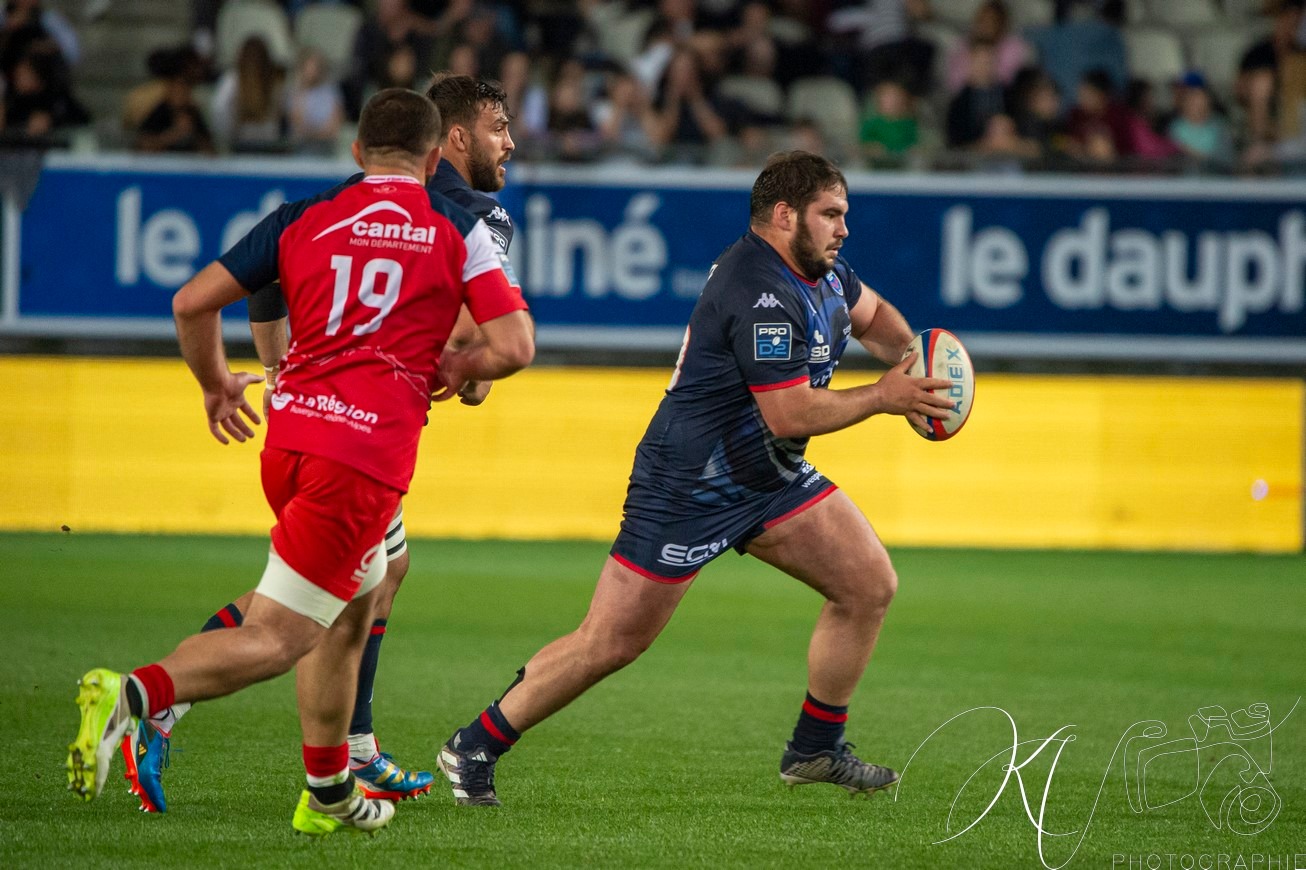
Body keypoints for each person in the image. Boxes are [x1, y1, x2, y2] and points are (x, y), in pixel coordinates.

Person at [66, 87, 535, 835]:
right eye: (498, 129)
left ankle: (335, 782)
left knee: (368, 583)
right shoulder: (464, 222)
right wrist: (458, 369)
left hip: (294, 431)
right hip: (362, 446)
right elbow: (500, 353)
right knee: (288, 628)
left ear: (357, 152)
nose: (509, 143)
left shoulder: (312, 211)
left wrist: (241, 380)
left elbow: (208, 299)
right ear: (439, 146)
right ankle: (146, 699)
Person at [435, 150, 955, 807]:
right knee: (611, 642)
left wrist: (916, 356)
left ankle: (815, 749)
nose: (843, 228)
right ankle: (474, 745)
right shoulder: (758, 289)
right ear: (784, 214)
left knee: (869, 583)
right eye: (831, 214)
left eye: (844, 215)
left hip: (767, 476)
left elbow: (875, 318)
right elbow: (791, 410)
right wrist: (885, 395)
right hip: (686, 486)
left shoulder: (824, 273)